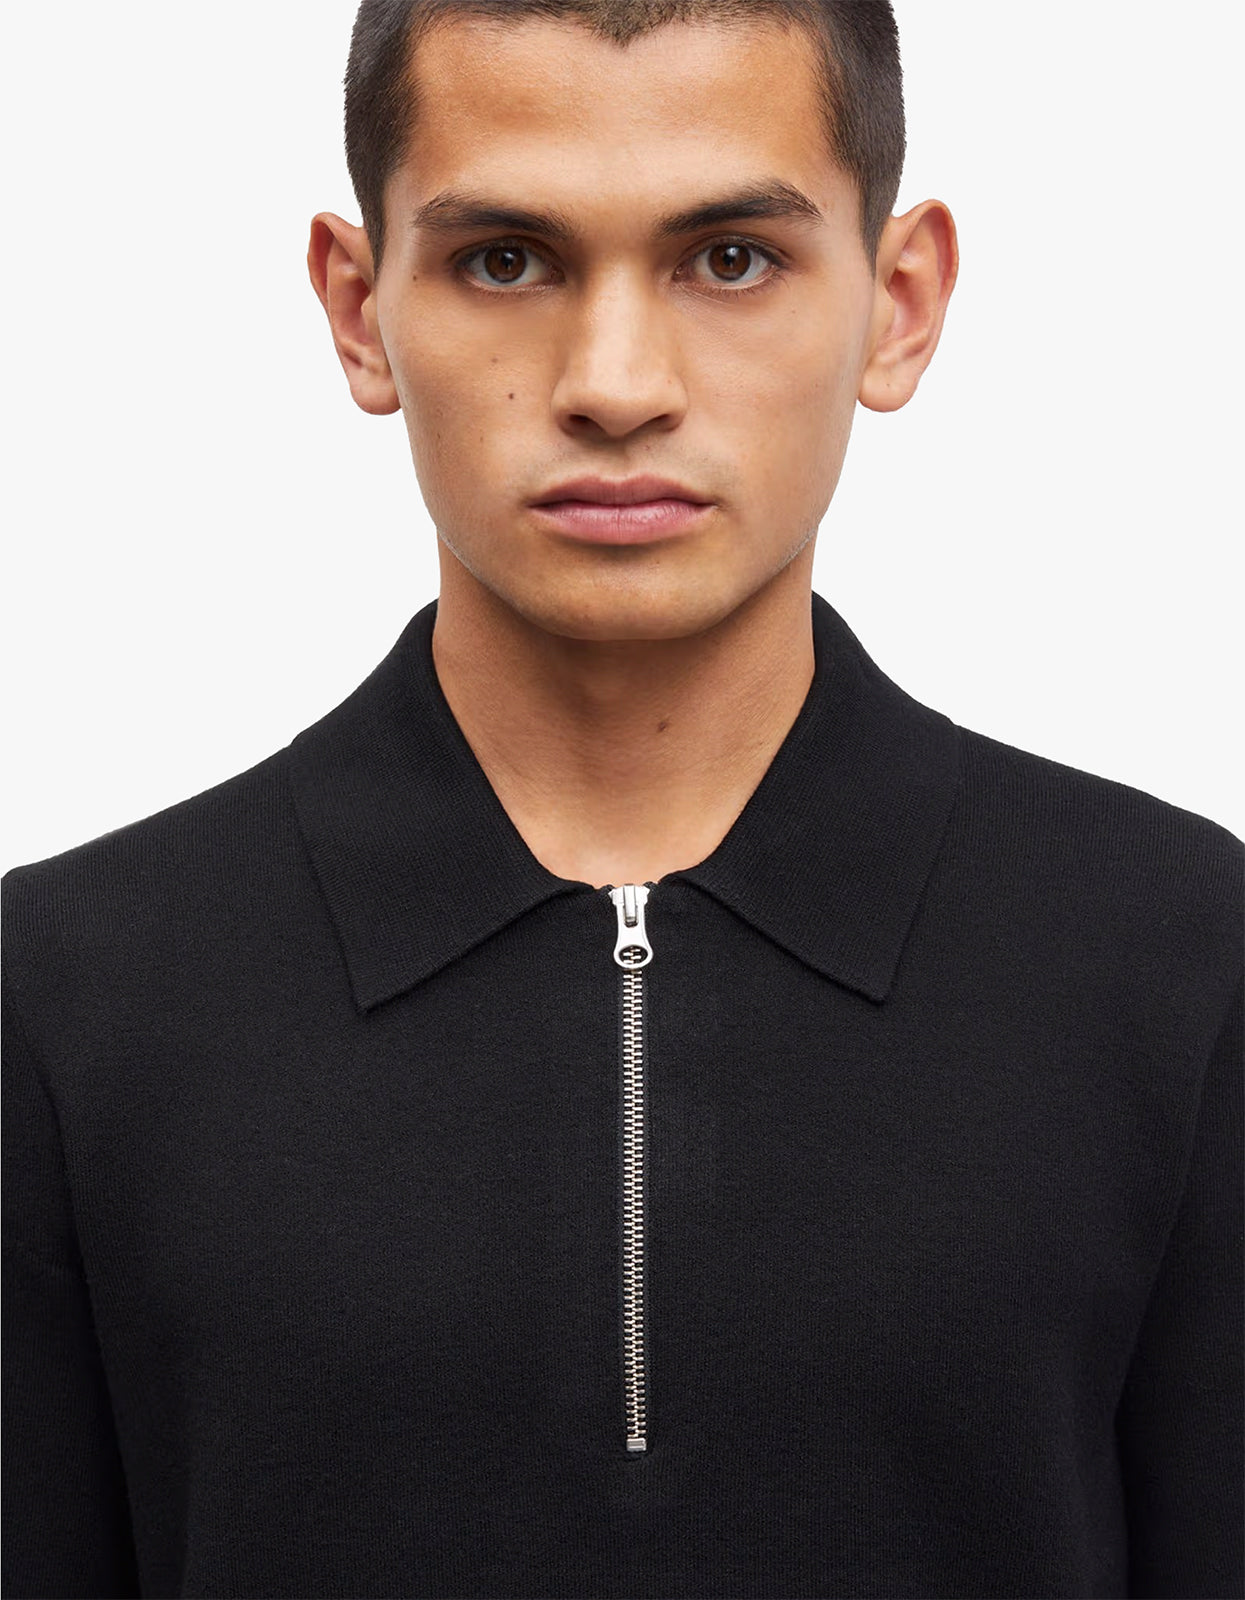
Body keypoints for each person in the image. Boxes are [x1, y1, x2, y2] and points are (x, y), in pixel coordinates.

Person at [3, 1, 1240, 1596]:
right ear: (359, 311)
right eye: (504, 259)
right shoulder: (64, 998)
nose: (613, 383)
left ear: (899, 304)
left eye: (728, 258)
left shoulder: (1180, 963)